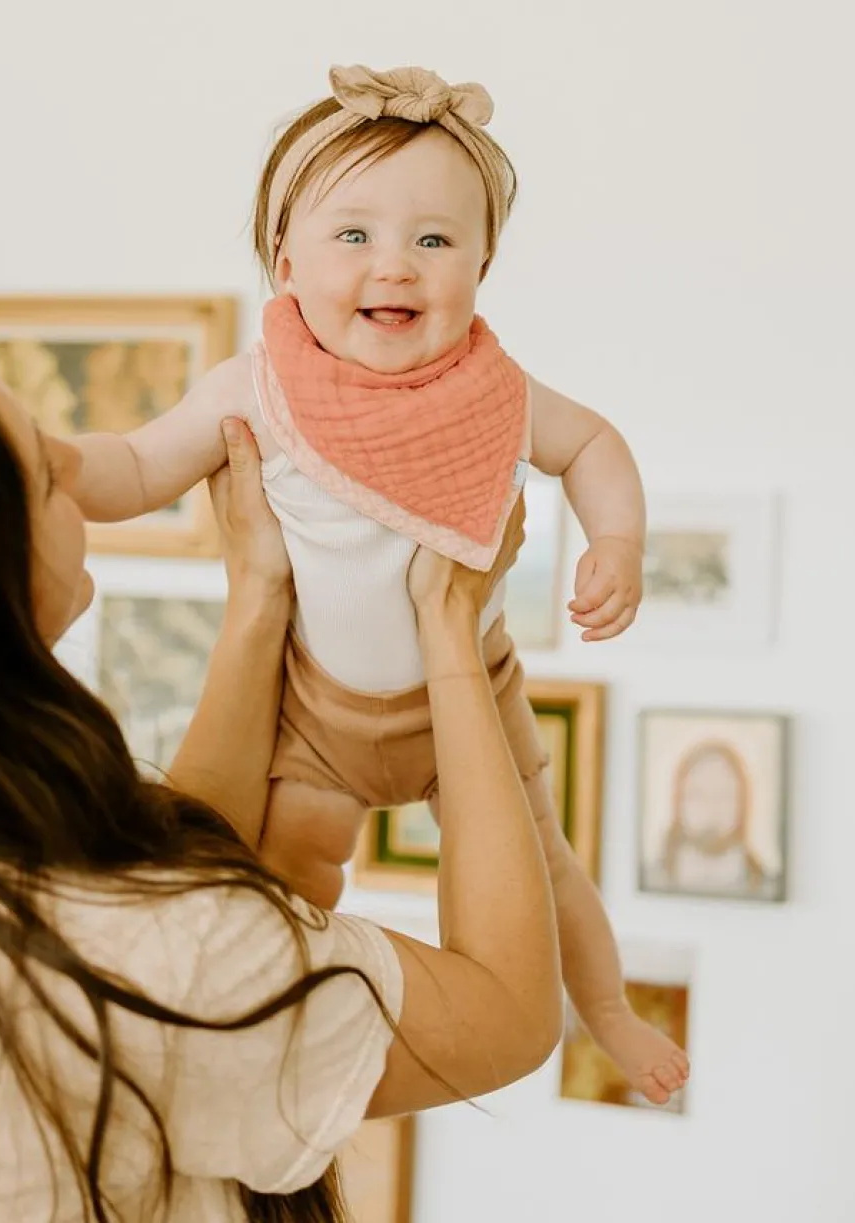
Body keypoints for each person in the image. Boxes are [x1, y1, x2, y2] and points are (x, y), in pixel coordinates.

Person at [69, 63, 689, 1105]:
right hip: (315, 714)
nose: (396, 265)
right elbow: (133, 468)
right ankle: (258, 1029)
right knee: (287, 871)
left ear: (483, 261)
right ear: (284, 259)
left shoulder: (495, 391)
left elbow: (594, 444)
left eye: (435, 239)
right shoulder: (255, 390)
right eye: (353, 235)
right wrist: (47, 460)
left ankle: (612, 1008)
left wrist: (616, 540)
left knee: (544, 878)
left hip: (475, 702)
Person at [0, 332, 563, 1222]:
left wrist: (259, 596)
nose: (77, 468)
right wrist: (449, 626)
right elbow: (507, 1010)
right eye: (46, 470)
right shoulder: (118, 959)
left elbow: (169, 865)